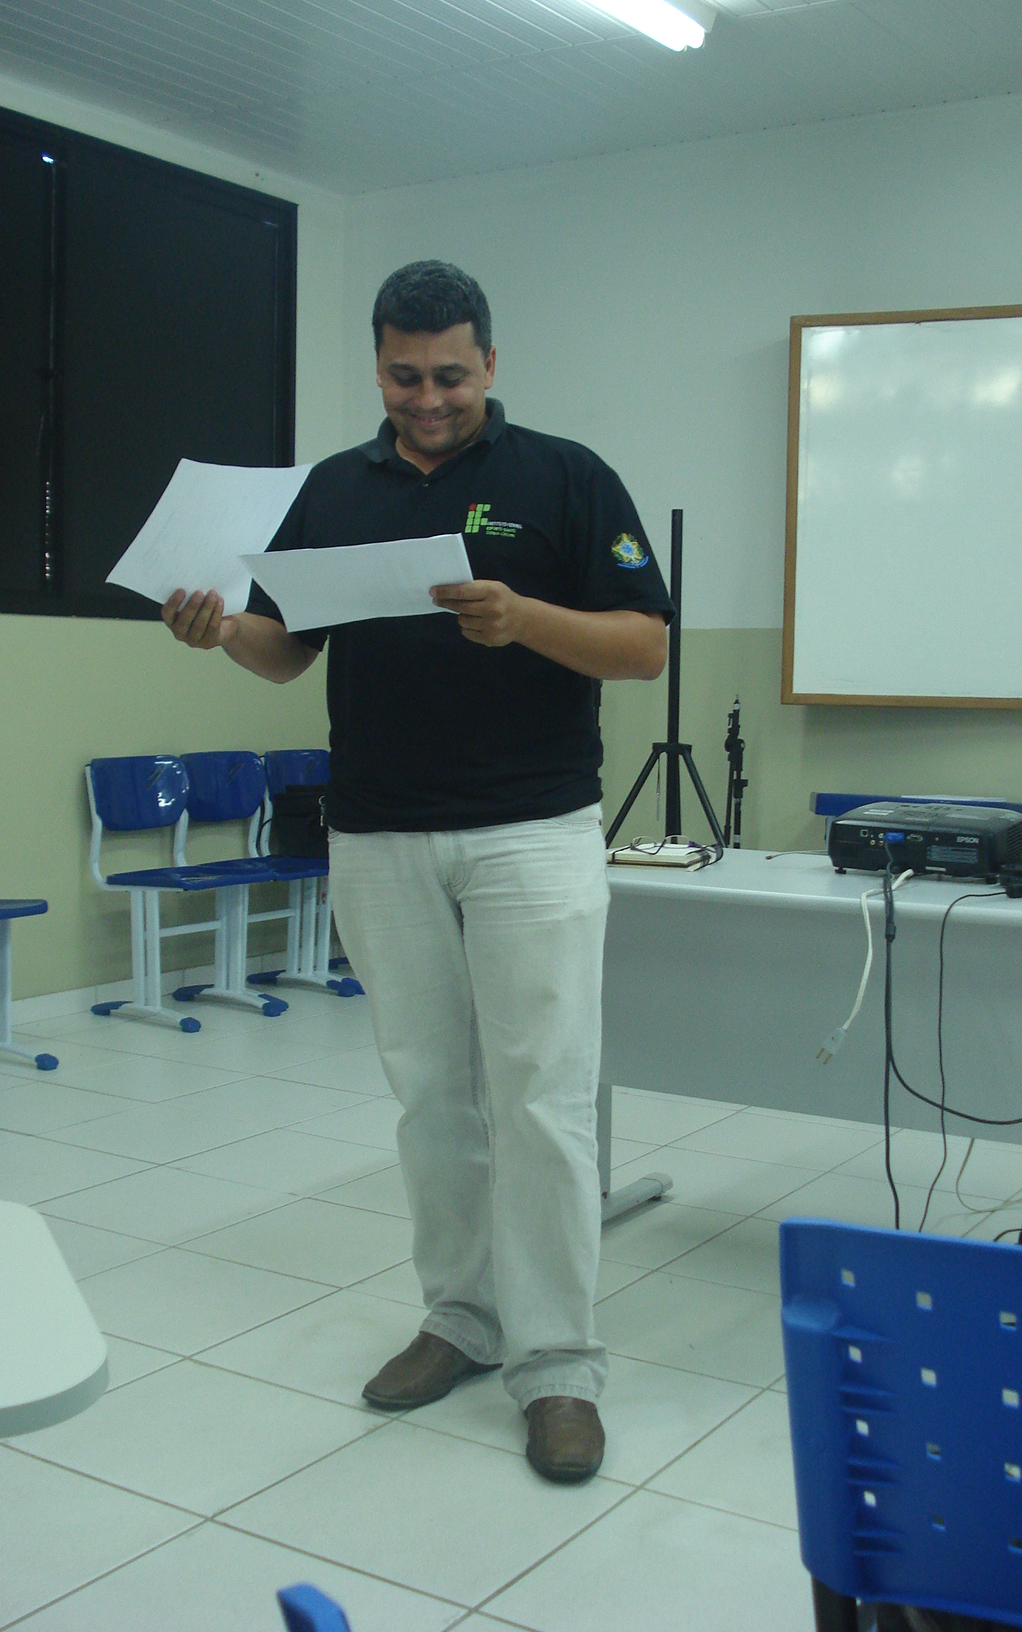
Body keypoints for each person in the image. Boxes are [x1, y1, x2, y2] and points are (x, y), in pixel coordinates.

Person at [163, 260, 672, 1483]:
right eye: (405, 376)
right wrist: (222, 629)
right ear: (379, 366)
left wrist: (523, 618)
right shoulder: (336, 488)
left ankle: (559, 1366)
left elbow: (646, 645)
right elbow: (288, 651)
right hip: (379, 831)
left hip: (531, 832)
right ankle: (462, 1318)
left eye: (450, 375)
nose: (429, 398)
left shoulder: (567, 475)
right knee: (432, 1098)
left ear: (489, 361)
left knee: (542, 1101)